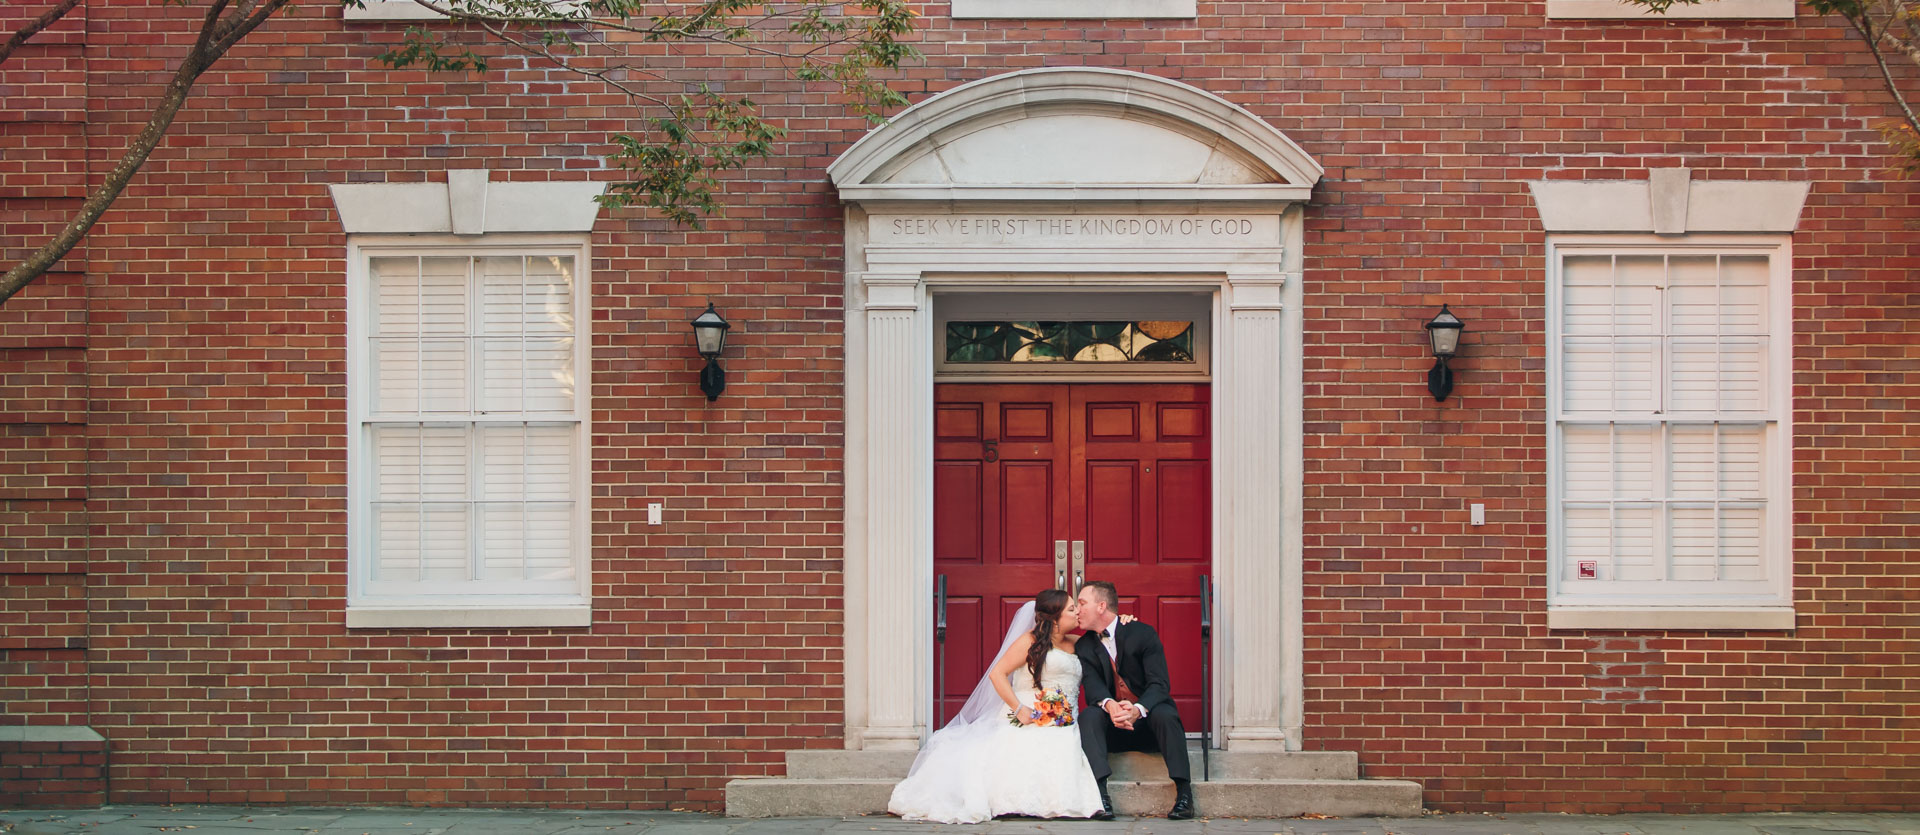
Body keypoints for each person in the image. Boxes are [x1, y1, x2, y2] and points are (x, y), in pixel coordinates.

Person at [887, 589, 1131, 823]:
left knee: (1064, 746)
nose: (1077, 612)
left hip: (1064, 720)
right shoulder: (1029, 641)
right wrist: (1018, 708)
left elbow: (1110, 638)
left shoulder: (1079, 643)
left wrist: (1125, 622)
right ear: (1055, 619)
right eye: (1071, 608)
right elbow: (997, 674)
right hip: (1027, 713)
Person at [1074, 580, 1194, 820]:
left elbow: (1160, 684)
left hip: (1148, 726)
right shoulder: (1084, 645)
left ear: (1101, 606)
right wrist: (1112, 707)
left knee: (1165, 713)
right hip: (1113, 729)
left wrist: (1137, 710)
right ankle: (1100, 796)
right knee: (1089, 715)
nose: (1077, 610)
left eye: (1082, 603)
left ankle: (1184, 795)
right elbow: (1093, 686)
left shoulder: (1143, 633)